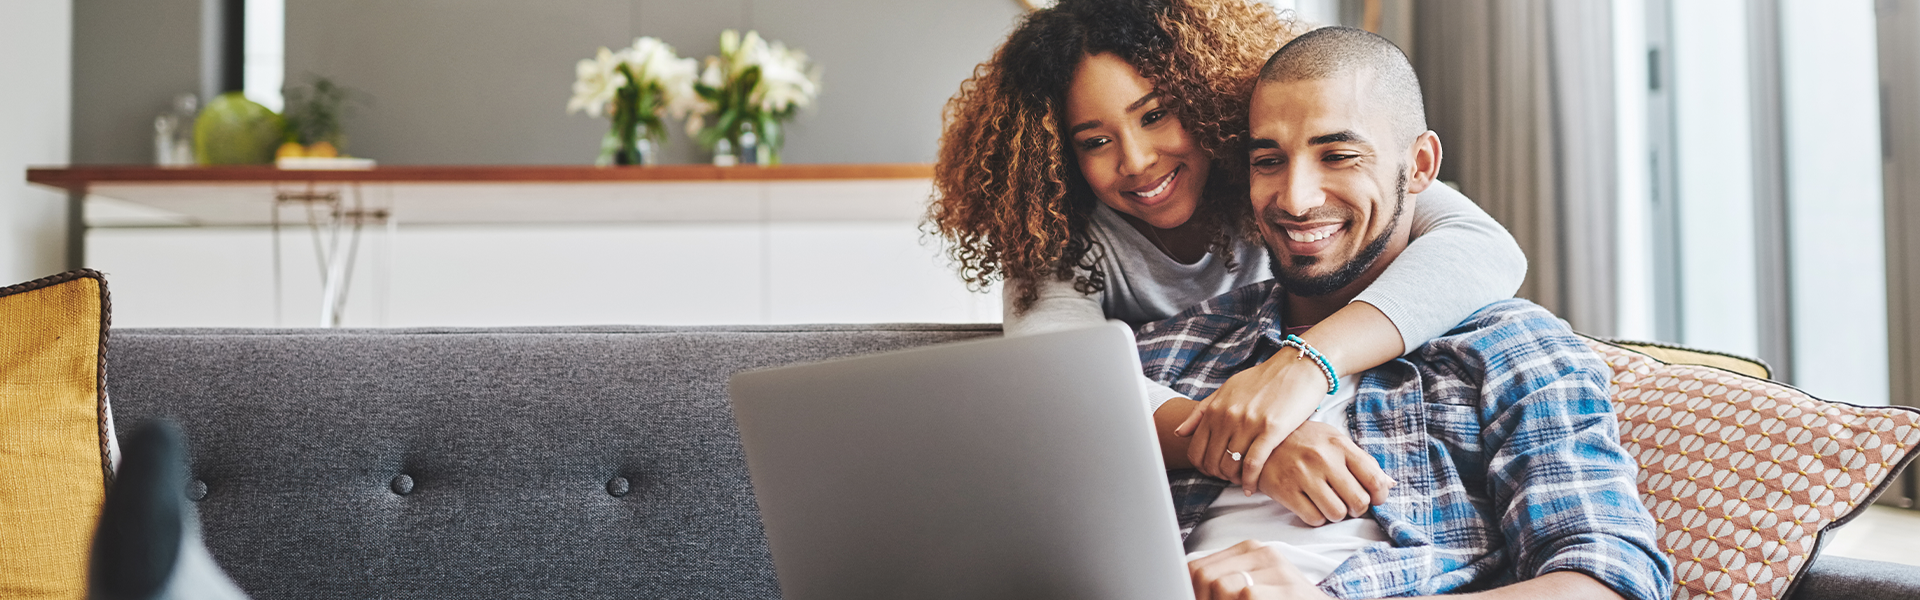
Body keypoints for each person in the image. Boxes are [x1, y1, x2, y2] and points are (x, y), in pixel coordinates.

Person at [927, 0, 1528, 517]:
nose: (1135, 161)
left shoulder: (1280, 172)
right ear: (1058, 154)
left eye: (1156, 115)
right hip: (1181, 475)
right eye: (1095, 141)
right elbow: (1055, 377)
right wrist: (1245, 444)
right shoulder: (1055, 231)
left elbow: (1485, 249)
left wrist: (1306, 364)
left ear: (1206, 97)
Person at [1138, 27, 1672, 600]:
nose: (1295, 199)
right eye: (1268, 160)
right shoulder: (1175, 346)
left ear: (1419, 165)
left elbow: (1609, 582)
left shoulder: (1508, 349)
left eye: (1337, 156)